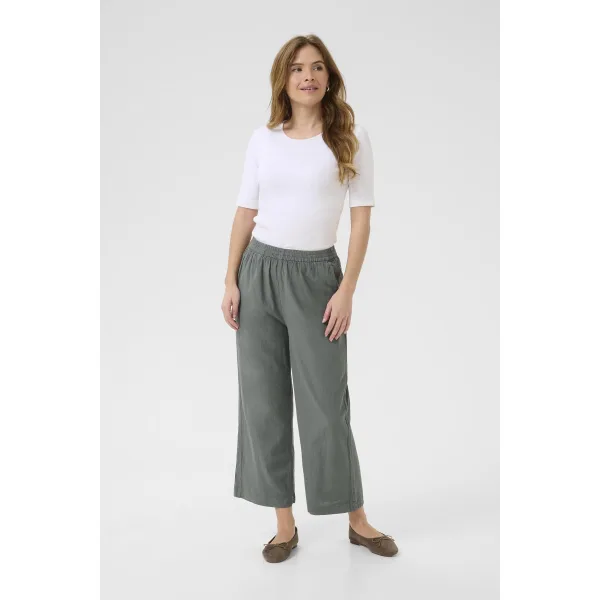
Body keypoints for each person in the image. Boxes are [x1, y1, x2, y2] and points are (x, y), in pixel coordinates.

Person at [221, 34, 398, 562]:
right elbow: (245, 214)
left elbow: (361, 220)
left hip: (318, 277)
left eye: (318, 67)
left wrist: (347, 290)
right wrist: (230, 280)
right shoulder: (263, 140)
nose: (308, 76)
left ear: (329, 76)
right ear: (284, 78)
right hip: (258, 273)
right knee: (264, 401)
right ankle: (283, 524)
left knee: (326, 406)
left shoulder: (350, 137)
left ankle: (357, 520)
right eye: (298, 68)